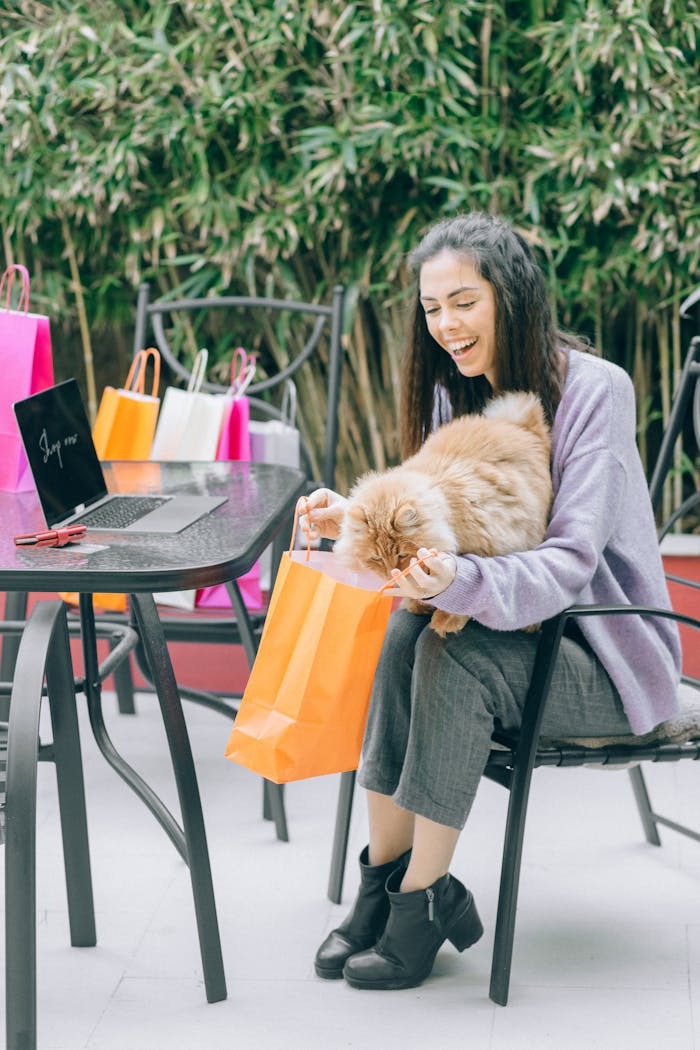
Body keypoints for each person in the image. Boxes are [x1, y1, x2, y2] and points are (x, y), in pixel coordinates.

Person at [303, 212, 682, 992]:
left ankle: (420, 906)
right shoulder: (461, 392)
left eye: (464, 301)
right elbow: (442, 517)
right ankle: (383, 884)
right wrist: (358, 517)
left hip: (604, 655)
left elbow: (570, 563)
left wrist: (457, 583)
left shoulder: (595, 391)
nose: (445, 325)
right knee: (406, 636)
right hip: (522, 634)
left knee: (454, 655)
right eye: (432, 308)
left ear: (509, 296)